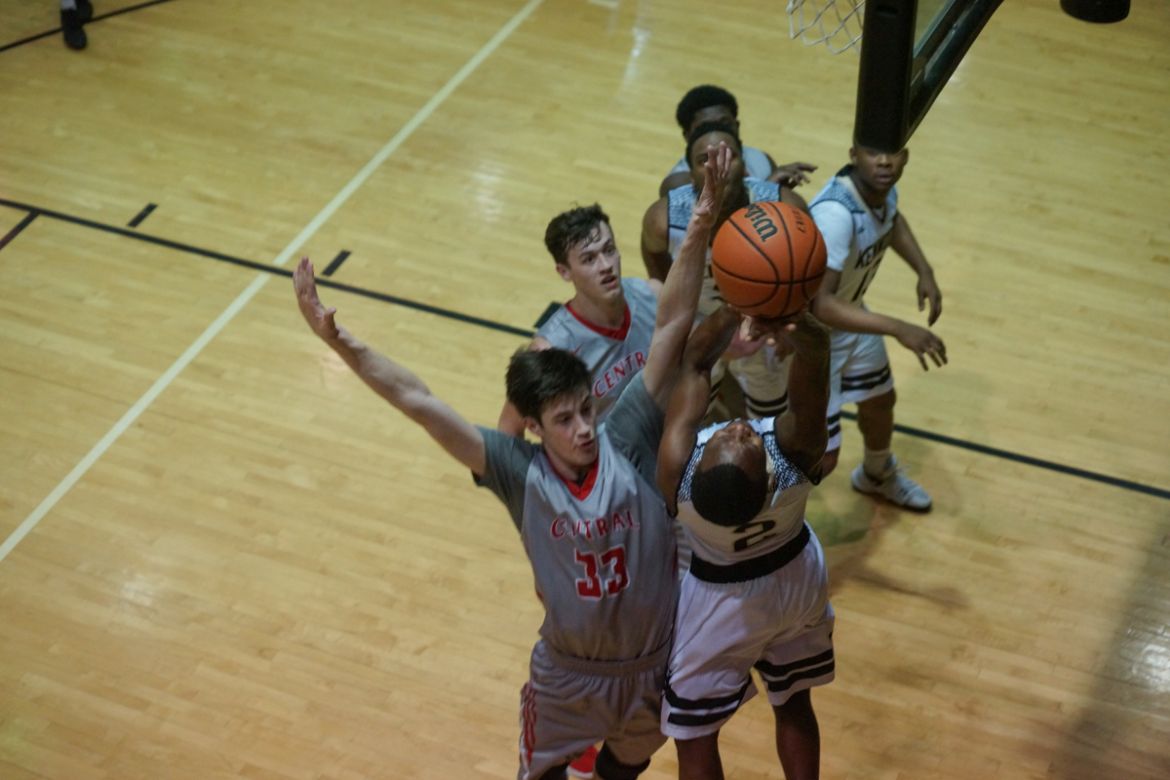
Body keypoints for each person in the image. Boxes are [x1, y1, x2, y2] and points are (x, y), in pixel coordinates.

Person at [293, 143, 734, 780]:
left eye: (586, 410)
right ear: (533, 426)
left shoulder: (626, 433)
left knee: (624, 770)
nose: (584, 429)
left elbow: (674, 324)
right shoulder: (518, 470)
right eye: (565, 419)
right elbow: (418, 401)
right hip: (569, 675)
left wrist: (704, 218)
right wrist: (340, 341)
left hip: (649, 660)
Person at [656, 305, 836, 780]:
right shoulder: (793, 459)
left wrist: (737, 304)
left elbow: (696, 362)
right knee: (793, 699)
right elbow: (816, 357)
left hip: (722, 602)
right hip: (797, 581)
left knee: (694, 734)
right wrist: (784, 314)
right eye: (743, 438)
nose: (739, 427)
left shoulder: (676, 476)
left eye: (731, 436)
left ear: (700, 465)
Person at [808, 143, 946, 510]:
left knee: (879, 401)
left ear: (906, 156)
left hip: (849, 317)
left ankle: (875, 475)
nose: (884, 161)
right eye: (873, 153)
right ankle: (773, 518)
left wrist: (924, 270)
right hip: (812, 339)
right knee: (821, 457)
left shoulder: (880, 191)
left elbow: (892, 220)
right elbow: (820, 304)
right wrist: (899, 327)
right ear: (854, 155)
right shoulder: (836, 215)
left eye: (892, 153)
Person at [643, 121, 808, 421]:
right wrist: (681, 318)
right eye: (704, 160)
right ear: (690, 174)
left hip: (764, 325)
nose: (717, 166)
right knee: (689, 421)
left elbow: (808, 275)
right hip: (699, 324)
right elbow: (654, 258)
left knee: (773, 424)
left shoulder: (785, 208)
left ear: (744, 165)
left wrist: (790, 323)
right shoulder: (663, 219)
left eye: (728, 156)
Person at [498, 205, 659, 438]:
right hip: (604, 454)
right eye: (589, 259)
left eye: (609, 250)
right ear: (564, 272)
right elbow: (508, 430)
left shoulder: (653, 296)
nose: (606, 266)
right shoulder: (551, 350)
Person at [658, 84, 816, 197]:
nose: (717, 132)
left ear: (737, 125)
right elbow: (709, 228)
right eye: (706, 127)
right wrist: (766, 190)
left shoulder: (761, 159)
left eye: (725, 124)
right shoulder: (676, 184)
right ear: (687, 136)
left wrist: (780, 195)